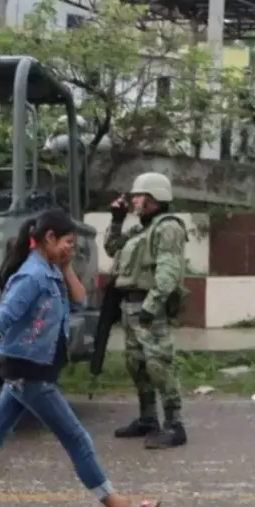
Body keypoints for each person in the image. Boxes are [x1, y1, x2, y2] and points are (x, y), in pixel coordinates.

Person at [0, 208, 161, 507]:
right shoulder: (32, 277)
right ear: (49, 238)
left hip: (26, 371)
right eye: (68, 243)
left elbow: (79, 299)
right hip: (30, 374)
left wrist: (66, 264)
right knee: (77, 438)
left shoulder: (50, 270)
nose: (72, 248)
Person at [104, 172, 190, 450]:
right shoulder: (140, 228)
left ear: (155, 198)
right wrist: (117, 220)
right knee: (136, 364)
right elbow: (111, 248)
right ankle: (148, 418)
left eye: (139, 195)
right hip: (129, 304)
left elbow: (169, 272)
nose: (134, 200)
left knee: (158, 364)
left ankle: (175, 425)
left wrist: (151, 307)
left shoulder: (167, 227)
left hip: (148, 306)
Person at [234, 66, 255, 163]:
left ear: (251, 75)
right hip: (239, 119)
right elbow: (231, 103)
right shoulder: (237, 88)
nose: (247, 76)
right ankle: (236, 161)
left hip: (251, 120)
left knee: (250, 144)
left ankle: (252, 161)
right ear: (242, 75)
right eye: (245, 74)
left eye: (249, 74)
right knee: (237, 143)